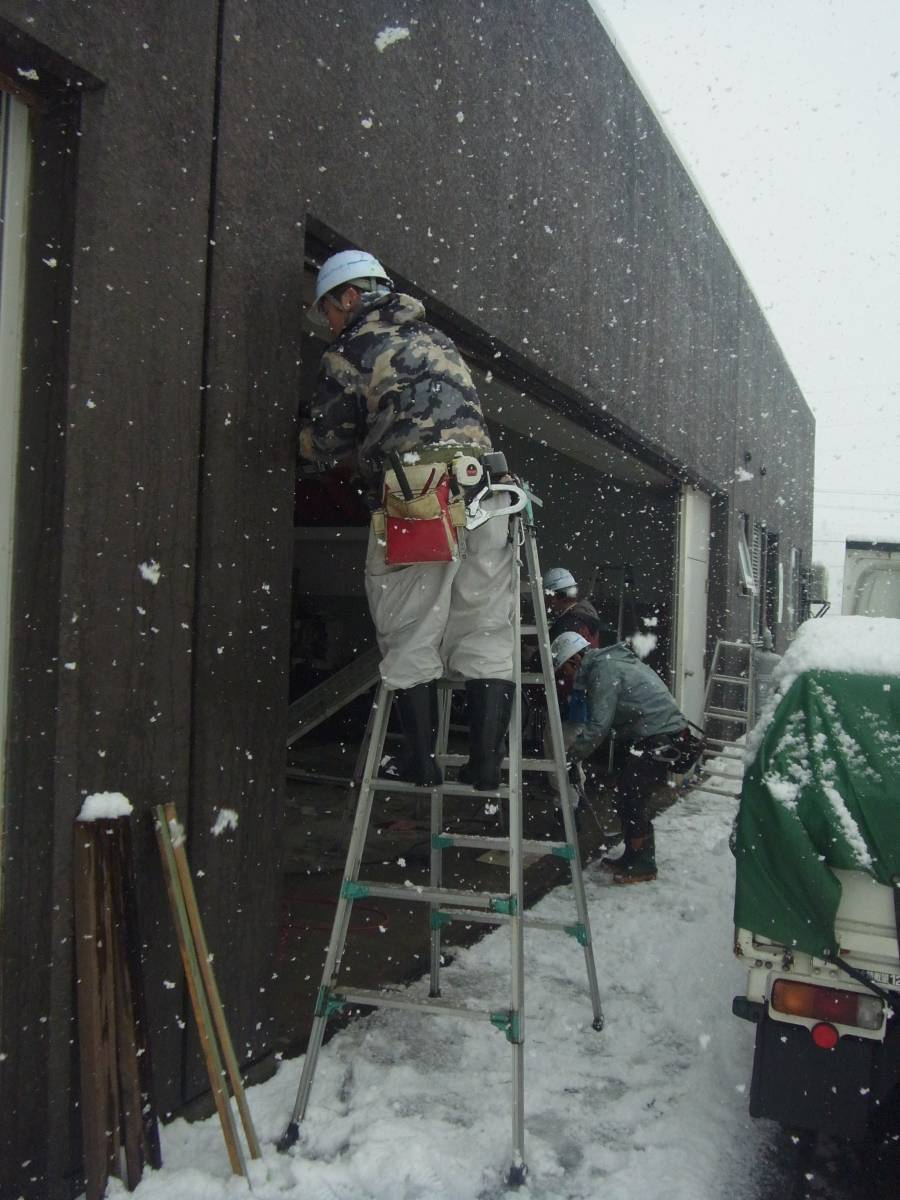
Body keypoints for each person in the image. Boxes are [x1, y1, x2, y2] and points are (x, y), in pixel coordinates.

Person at [298, 248, 515, 790]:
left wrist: (296, 442)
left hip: (418, 494)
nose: (327, 321)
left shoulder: (352, 347)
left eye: (327, 308)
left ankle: (422, 762)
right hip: (485, 493)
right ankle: (487, 764)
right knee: (485, 622)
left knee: (411, 622)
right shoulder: (438, 341)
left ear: (349, 296)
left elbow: (327, 440)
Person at [550, 627, 691, 884]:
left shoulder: (603, 671)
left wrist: (570, 757)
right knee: (628, 794)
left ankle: (643, 863)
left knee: (632, 794)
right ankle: (633, 856)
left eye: (565, 670)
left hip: (660, 736)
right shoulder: (608, 663)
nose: (567, 678)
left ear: (575, 659)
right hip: (658, 735)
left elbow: (598, 727)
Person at [542, 568, 600, 642]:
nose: (544, 601)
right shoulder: (588, 612)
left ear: (553, 597)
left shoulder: (564, 626)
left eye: (546, 596)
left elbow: (551, 651)